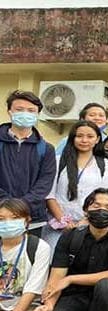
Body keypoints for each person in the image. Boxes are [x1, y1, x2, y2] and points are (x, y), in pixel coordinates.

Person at [43, 120, 108, 247]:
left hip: (91, 225)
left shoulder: (105, 165)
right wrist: (63, 221)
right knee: (55, 262)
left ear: (97, 139)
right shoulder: (58, 161)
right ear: (72, 138)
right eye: (79, 136)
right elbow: (49, 195)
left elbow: (107, 197)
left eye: (90, 136)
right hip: (58, 227)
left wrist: (86, 220)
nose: (84, 140)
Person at [0, 199, 51, 311]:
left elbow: (32, 289)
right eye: (1, 219)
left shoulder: (38, 247)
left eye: (15, 218)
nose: (8, 223)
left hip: (26, 305)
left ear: (27, 220)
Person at [0, 90, 56, 236]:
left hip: (32, 218)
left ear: (37, 114)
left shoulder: (46, 148)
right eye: (19, 109)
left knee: (29, 256)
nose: (25, 113)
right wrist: (6, 205)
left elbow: (45, 183)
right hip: (0, 215)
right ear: (9, 111)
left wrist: (21, 206)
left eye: (31, 110)